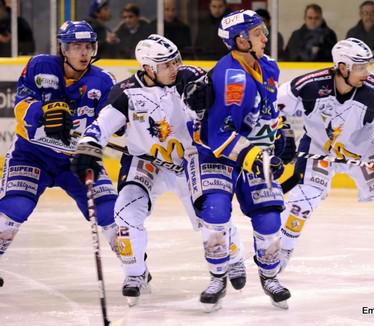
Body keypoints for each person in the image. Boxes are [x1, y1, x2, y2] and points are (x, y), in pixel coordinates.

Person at [70, 34, 247, 306]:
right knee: (125, 215)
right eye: (167, 64)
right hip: (146, 163)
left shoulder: (191, 80)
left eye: (176, 60)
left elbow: (220, 109)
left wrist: (203, 92)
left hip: (189, 161)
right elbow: (102, 125)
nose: (175, 68)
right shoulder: (126, 92)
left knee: (211, 215)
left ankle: (233, 258)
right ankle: (135, 273)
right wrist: (87, 145)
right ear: (148, 68)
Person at [277, 38, 374, 280]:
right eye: (360, 67)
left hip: (362, 150)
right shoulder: (308, 84)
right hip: (318, 149)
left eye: (368, 66)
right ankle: (280, 252)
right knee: (303, 198)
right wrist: (282, 131)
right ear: (342, 67)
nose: (367, 73)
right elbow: (272, 107)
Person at [186, 9, 292, 311]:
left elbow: (268, 110)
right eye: (258, 33)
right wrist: (254, 154)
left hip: (255, 153)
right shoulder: (232, 77)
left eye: (263, 31)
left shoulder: (268, 66)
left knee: (270, 216)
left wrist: (280, 136)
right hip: (215, 152)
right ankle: (217, 277)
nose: (266, 37)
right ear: (240, 39)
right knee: (216, 212)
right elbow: (218, 134)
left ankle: (270, 277)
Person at [0, 20, 119, 288]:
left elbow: (115, 123)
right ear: (63, 49)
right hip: (32, 156)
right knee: (15, 206)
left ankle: (136, 269)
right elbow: (20, 108)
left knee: (110, 212)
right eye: (76, 46)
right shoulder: (39, 66)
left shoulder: (103, 81)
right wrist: (40, 112)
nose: (83, 52)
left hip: (78, 161)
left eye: (88, 46)